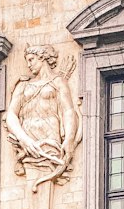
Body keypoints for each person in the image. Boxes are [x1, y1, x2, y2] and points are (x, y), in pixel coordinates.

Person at [5, 45, 82, 191]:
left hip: (51, 141)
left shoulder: (58, 82)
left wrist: (69, 139)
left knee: (44, 182)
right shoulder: (23, 85)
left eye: (31, 59)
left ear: (42, 58)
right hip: (29, 143)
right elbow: (11, 115)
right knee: (34, 181)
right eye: (27, 61)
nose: (28, 64)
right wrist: (24, 139)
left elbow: (68, 111)